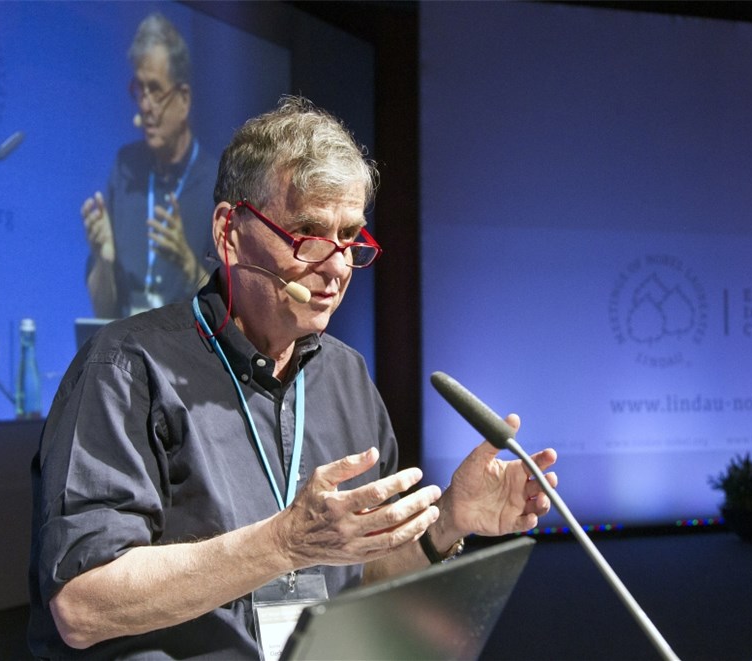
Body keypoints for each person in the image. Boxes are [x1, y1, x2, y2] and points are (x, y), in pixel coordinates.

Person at [30, 96, 558, 658]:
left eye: (350, 237)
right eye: (307, 233)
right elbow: (81, 606)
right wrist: (282, 543)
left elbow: (359, 580)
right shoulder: (126, 368)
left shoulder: (347, 376)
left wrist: (450, 519)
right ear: (229, 232)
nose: (335, 266)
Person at [81, 13, 217, 318]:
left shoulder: (216, 184)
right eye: (139, 90)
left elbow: (232, 319)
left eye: (155, 90)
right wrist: (103, 258)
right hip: (126, 352)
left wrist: (186, 263)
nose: (144, 105)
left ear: (184, 99)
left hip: (189, 355)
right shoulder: (125, 168)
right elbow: (103, 310)